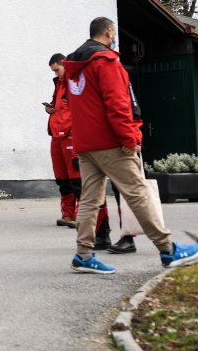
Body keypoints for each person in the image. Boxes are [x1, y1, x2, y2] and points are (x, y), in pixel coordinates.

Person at [65, 17, 198, 273]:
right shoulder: (106, 62)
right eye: (114, 33)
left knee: (90, 200)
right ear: (109, 32)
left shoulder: (74, 67)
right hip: (111, 143)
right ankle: (168, 249)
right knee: (138, 193)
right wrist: (130, 138)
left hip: (85, 144)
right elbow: (119, 104)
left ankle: (83, 254)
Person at [46, 54, 112, 247]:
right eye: (53, 71)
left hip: (70, 136)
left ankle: (85, 219)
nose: (56, 74)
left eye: (57, 70)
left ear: (65, 65)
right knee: (62, 178)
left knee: (77, 179)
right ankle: (68, 214)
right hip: (57, 136)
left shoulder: (75, 83)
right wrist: (51, 109)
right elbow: (62, 107)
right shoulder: (59, 84)